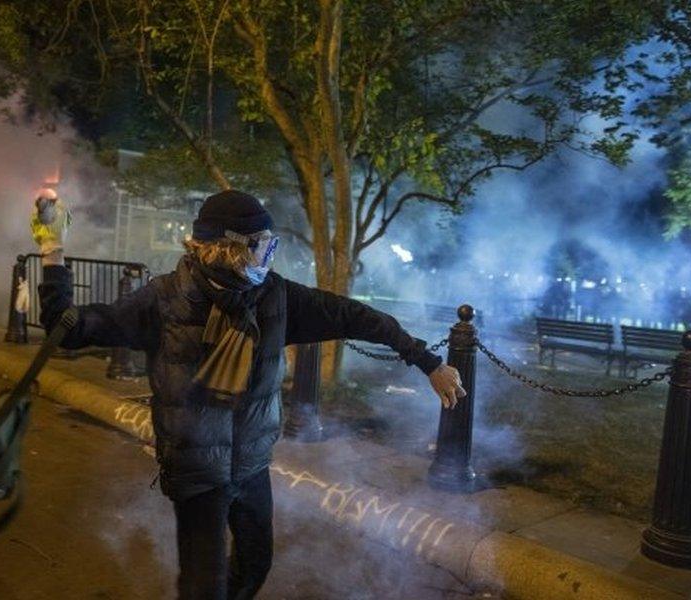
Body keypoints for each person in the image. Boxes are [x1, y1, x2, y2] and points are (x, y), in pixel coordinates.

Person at [31, 189, 464, 600]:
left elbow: (357, 317)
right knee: (204, 587)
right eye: (262, 245)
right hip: (197, 473)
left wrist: (428, 362)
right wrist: (53, 251)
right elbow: (66, 327)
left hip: (251, 465)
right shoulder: (164, 301)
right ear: (229, 248)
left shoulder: (273, 296)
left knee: (256, 562)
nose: (269, 255)